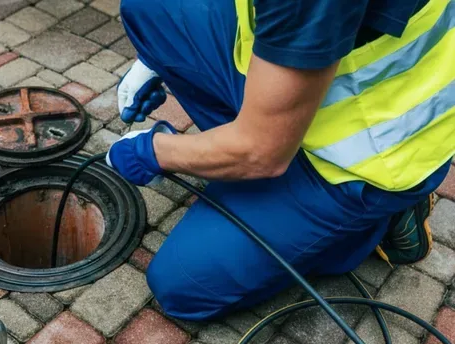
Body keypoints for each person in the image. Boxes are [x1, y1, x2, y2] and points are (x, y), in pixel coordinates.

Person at [105, 0, 455, 321]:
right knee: (150, 10)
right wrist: (153, 60)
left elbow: (260, 153)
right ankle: (259, 180)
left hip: (374, 160)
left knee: (181, 285)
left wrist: (153, 152)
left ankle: (371, 224)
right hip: (316, 81)